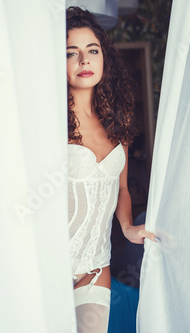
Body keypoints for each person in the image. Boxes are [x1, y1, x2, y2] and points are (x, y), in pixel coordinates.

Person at [66, 6, 160, 332]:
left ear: (104, 56)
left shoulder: (116, 120)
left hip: (94, 267)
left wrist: (128, 228)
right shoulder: (46, 124)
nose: (84, 60)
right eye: (71, 53)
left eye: (92, 50)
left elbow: (121, 188)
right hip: (45, 266)